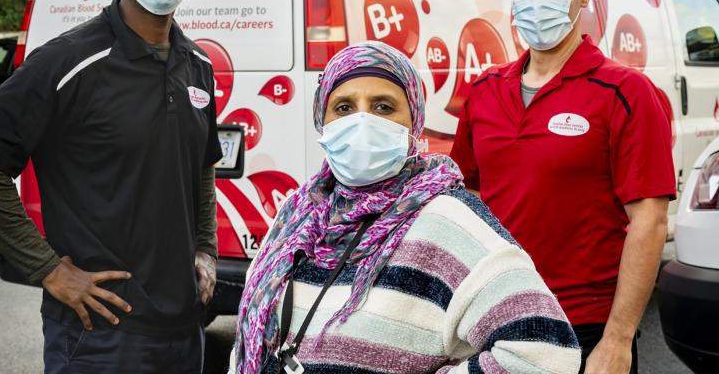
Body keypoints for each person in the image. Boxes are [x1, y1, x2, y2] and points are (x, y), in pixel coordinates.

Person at [227, 41, 581, 374]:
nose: (362, 122)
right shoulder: (299, 215)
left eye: (383, 107)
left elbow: (544, 352)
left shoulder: (445, 221)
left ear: (414, 123)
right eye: (344, 107)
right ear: (323, 121)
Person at [0, 0, 222, 373]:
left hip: (185, 335)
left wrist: (205, 248)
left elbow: (204, 166)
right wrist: (48, 270)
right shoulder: (66, 63)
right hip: (97, 338)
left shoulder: (198, 66)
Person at [450, 0, 676, 374]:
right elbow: (465, 202)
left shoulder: (625, 92)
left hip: (584, 329)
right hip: (498, 322)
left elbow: (648, 222)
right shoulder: (484, 92)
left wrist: (617, 341)